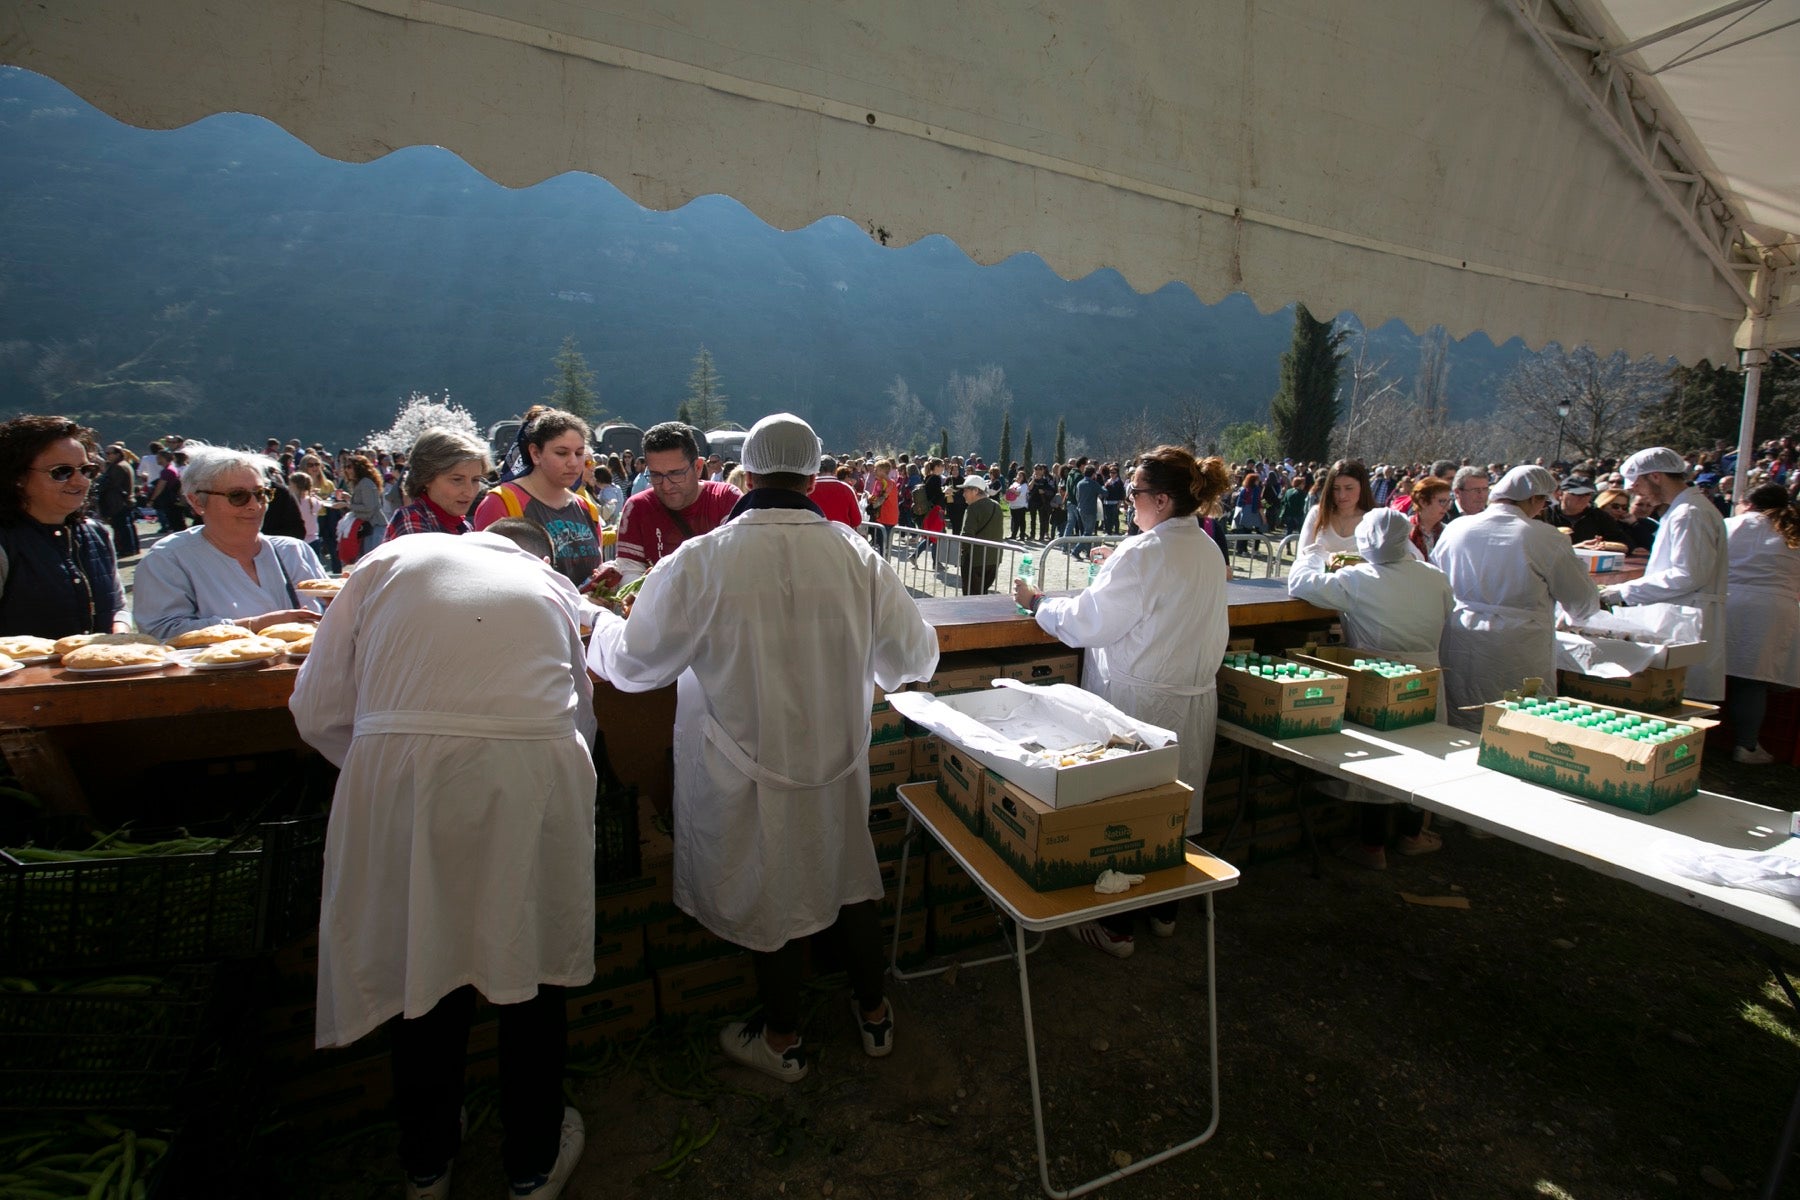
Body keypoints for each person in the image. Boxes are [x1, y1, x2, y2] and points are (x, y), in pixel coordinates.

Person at [588, 413, 938, 1084]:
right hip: (834, 759)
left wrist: (596, 621)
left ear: (741, 476)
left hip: (741, 764)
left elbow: (637, 666)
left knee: (768, 888)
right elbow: (916, 658)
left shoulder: (702, 559)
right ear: (813, 478)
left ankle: (782, 1038)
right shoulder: (854, 554)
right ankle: (873, 1015)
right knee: (848, 877)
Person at [291, 519, 593, 1200]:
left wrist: (394, 764)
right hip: (532, 770)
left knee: (421, 954)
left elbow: (315, 709)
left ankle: (426, 1159)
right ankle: (532, 1161)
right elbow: (583, 714)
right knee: (533, 960)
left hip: (400, 770)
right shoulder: (548, 582)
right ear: (532, 554)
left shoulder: (392, 557)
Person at [1012, 446, 1230, 957]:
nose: (1128, 501)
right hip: (1193, 697)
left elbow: (1089, 621)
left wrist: (1037, 602)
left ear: (1161, 498)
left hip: (1141, 702)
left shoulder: (1144, 552)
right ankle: (1164, 911)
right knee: (1175, 810)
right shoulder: (1205, 547)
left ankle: (1116, 926)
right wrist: (1117, 566)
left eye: (1133, 492)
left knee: (1127, 817)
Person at [1290, 509, 1454, 867]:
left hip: (1377, 676)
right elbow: (1447, 610)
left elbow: (1300, 584)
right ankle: (1412, 833)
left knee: (1381, 763)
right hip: (1426, 673)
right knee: (1422, 757)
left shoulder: (1359, 578)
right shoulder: (1433, 575)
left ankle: (1371, 846)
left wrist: (1314, 555)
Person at [1432, 466, 1601, 728]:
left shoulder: (1457, 528)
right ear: (1534, 498)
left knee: (1461, 716)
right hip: (1519, 644)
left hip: (1460, 636)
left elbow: (1436, 580)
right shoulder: (1543, 537)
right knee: (1517, 724)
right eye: (1543, 502)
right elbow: (1581, 600)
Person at [133, 446, 328, 640]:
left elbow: (334, 619)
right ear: (197, 502)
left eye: (261, 493)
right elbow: (160, 632)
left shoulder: (294, 551)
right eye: (237, 496)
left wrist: (350, 597)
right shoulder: (168, 560)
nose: (254, 505)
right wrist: (254, 626)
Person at [1599, 447, 1730, 704]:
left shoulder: (1689, 513)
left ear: (1656, 476)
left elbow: (1688, 574)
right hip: (1685, 612)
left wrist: (1623, 592)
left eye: (1637, 483)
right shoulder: (1683, 510)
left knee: (1680, 696)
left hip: (1689, 615)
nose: (1635, 491)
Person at [0, 415, 127, 638]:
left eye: (87, 470)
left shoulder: (97, 533)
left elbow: (117, 607)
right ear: (17, 476)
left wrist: (120, 633)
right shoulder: (5, 543)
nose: (80, 481)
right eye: (61, 472)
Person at [599, 422, 740, 588]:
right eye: (656, 475)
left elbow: (737, 566)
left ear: (698, 467)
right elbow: (629, 574)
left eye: (676, 473)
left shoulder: (726, 499)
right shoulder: (637, 508)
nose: (666, 485)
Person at [474, 411, 604, 590]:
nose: (573, 462)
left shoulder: (586, 507)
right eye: (562, 453)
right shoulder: (502, 501)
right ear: (535, 453)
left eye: (579, 453)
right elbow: (487, 581)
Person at [1721, 483, 1800, 764]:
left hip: (1726, 604)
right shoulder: (1794, 531)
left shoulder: (1730, 525)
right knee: (1751, 681)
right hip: (1773, 612)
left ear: (1748, 503)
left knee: (1709, 674)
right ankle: (1747, 745)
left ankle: (1696, 741)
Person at [387, 428, 490, 540]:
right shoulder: (411, 521)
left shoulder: (463, 526)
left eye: (475, 480)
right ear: (426, 477)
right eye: (457, 480)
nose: (469, 492)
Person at [1297, 459, 1374, 566]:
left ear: (1362, 487)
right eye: (1336, 488)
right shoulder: (1317, 513)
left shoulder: (1374, 520)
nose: (1342, 495)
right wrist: (1329, 559)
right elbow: (1302, 556)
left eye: (1349, 488)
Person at [1544, 475, 1629, 550]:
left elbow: (1625, 544)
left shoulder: (1599, 516)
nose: (1583, 498)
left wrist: (1602, 546)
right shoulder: (1546, 514)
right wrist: (1577, 547)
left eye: (1587, 494)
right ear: (1560, 494)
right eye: (1577, 494)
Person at [957, 477, 1006, 594]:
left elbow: (967, 536)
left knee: (971, 598)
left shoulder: (973, 508)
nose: (963, 494)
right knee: (982, 596)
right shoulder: (997, 506)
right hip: (994, 559)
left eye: (966, 491)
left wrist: (959, 549)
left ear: (976, 491)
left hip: (975, 561)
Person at [95, 444, 140, 558]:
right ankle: (132, 548)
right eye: (106, 453)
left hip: (119, 501)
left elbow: (112, 483)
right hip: (125, 500)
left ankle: (126, 549)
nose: (107, 456)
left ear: (117, 454)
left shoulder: (118, 467)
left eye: (109, 453)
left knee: (121, 527)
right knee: (127, 526)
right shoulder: (125, 464)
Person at [343, 454, 387, 559]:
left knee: (372, 560)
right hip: (368, 528)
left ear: (359, 468)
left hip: (375, 527)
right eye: (345, 467)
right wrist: (349, 499)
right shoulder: (361, 483)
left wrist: (349, 505)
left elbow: (369, 507)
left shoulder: (366, 483)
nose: (347, 470)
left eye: (349, 467)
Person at [1596, 488, 1655, 556]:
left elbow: (1653, 545)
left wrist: (1634, 524)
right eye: (1615, 506)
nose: (1620, 510)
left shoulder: (1628, 524)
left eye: (1624, 507)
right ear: (1603, 506)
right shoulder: (1592, 521)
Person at [1407, 476, 1452, 559]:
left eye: (1449, 501)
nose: (1448, 507)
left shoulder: (1449, 531)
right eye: (1442, 501)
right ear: (1423, 502)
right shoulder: (1404, 530)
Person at [1005, 469, 1030, 540]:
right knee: (1015, 522)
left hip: (1021, 506)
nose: (1018, 477)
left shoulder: (1024, 485)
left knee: (1021, 521)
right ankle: (1013, 535)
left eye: (1020, 476)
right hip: (1013, 506)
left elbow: (1021, 494)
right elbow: (1009, 491)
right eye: (1018, 475)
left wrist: (1013, 491)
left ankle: (1022, 536)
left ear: (1024, 478)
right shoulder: (1014, 484)